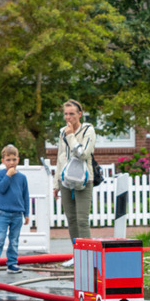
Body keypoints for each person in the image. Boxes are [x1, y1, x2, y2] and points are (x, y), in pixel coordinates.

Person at [56, 99, 96, 254]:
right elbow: (60, 157)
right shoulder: (62, 131)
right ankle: (77, 254)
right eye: (66, 114)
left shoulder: (88, 130)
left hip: (84, 178)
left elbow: (83, 154)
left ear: (80, 114)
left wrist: (71, 136)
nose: (68, 117)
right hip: (65, 179)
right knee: (71, 220)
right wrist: (56, 184)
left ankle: (88, 256)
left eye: (71, 114)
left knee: (82, 220)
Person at [0, 144, 31, 274]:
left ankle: (12, 263)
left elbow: (25, 196)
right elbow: (1, 188)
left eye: (14, 159)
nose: (11, 162)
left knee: (14, 240)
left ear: (18, 160)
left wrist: (26, 213)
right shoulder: (0, 174)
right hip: (3, 213)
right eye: (8, 159)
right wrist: (8, 175)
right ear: (3, 161)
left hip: (17, 214)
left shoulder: (22, 177)